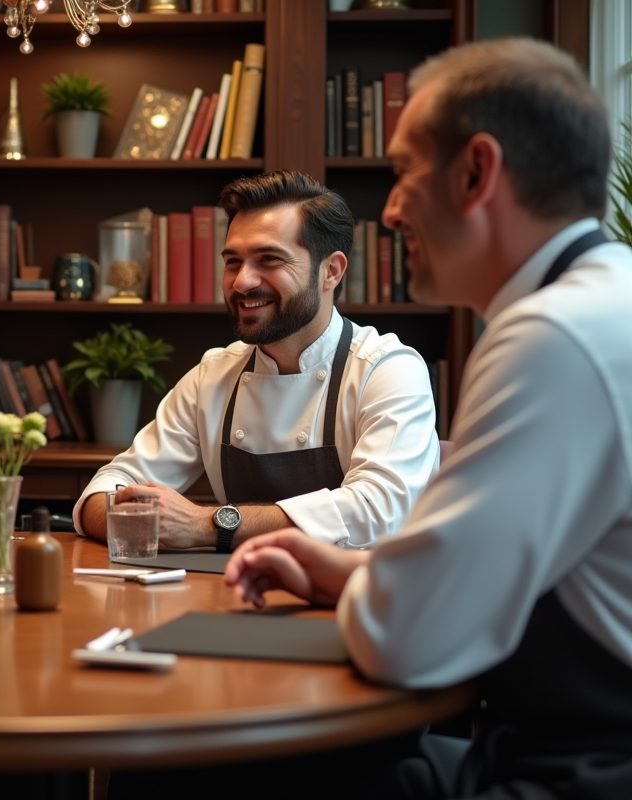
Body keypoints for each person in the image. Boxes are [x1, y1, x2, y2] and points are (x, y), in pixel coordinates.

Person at [219, 38, 632, 799]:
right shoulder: (607, 300)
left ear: (478, 173)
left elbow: (409, 640)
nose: (393, 208)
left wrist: (374, 593)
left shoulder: (553, 336)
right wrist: (356, 572)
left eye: (406, 172)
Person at [73, 171, 440, 553]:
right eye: (233, 261)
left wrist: (208, 523)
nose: (241, 282)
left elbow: (379, 510)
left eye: (269, 260)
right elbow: (105, 489)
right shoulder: (213, 376)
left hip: (363, 602)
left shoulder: (388, 370)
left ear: (331, 271)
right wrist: (141, 519)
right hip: (240, 594)